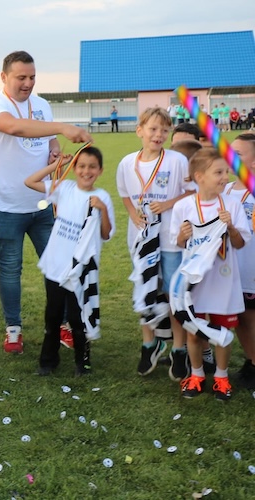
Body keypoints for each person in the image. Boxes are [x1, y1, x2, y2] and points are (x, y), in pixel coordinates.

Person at [0, 50, 90, 354]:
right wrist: (62, 128)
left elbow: (47, 139)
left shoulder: (41, 105)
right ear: (4, 77)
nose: (28, 83)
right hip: (6, 205)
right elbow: (15, 127)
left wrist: (54, 149)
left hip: (43, 203)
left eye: (32, 77)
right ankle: (13, 328)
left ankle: (62, 324)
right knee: (10, 268)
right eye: (21, 77)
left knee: (58, 267)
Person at [117, 107, 194, 379]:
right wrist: (132, 214)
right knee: (145, 289)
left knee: (174, 294)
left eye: (164, 130)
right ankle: (149, 344)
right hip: (141, 239)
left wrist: (169, 203)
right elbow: (125, 194)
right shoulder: (127, 163)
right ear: (139, 130)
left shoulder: (176, 161)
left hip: (171, 239)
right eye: (152, 129)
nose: (158, 134)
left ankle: (179, 349)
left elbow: (192, 192)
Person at [24, 146, 115, 376]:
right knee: (52, 315)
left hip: (80, 269)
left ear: (100, 170)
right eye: (81, 166)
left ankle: (82, 363)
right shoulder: (64, 188)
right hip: (56, 266)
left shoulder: (102, 197)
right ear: (74, 168)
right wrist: (57, 166)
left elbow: (106, 233)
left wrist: (103, 209)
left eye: (92, 167)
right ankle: (48, 362)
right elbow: (30, 181)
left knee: (78, 317)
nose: (86, 171)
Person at [174, 148, 249, 399]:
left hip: (223, 282)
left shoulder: (232, 205)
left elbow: (240, 243)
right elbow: (179, 242)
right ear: (199, 176)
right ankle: (197, 375)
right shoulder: (184, 206)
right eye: (218, 172)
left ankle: (221, 377)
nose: (225, 177)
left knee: (223, 333)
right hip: (194, 285)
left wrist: (231, 228)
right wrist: (182, 236)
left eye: (226, 171)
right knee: (194, 331)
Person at [229, 133, 255, 388]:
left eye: (238, 154)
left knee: (250, 319)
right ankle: (251, 361)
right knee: (240, 319)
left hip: (251, 271)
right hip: (230, 271)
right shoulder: (225, 189)